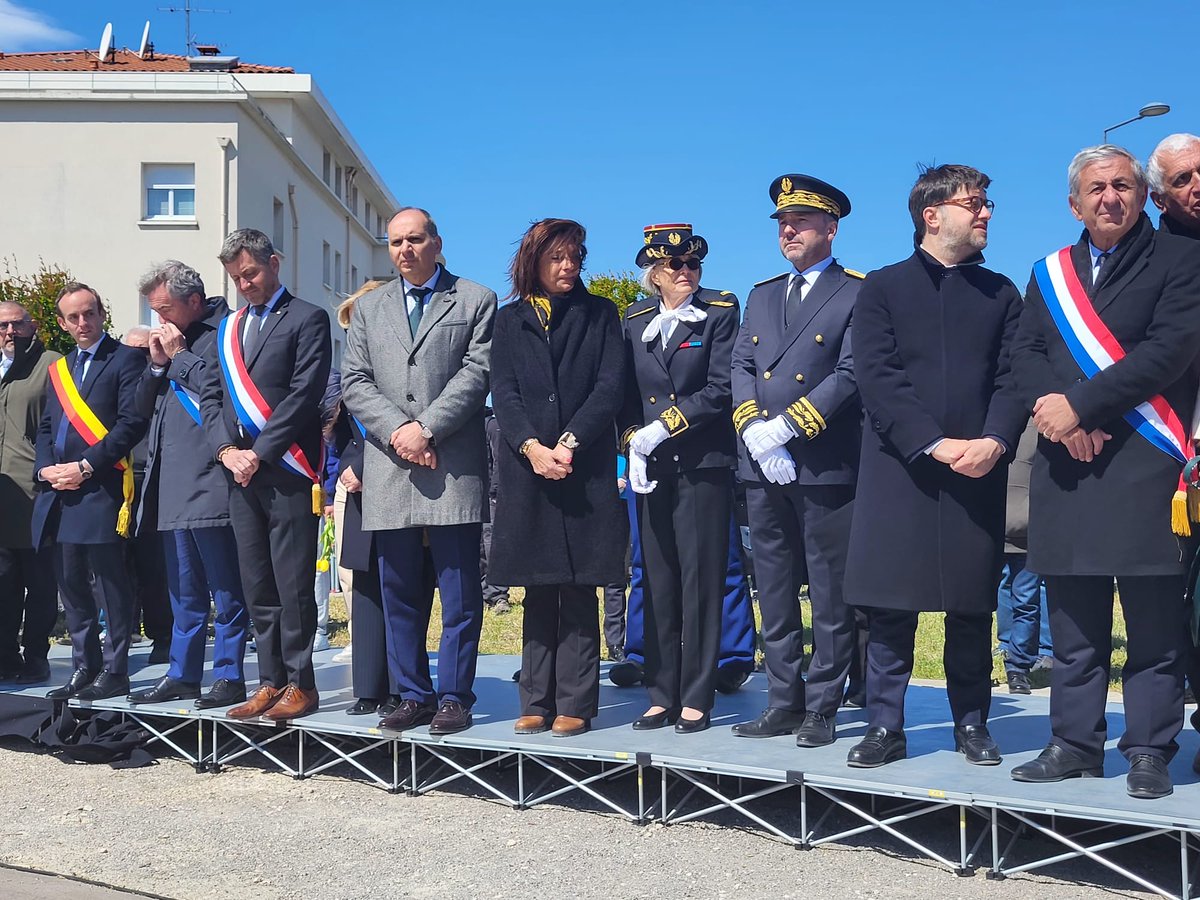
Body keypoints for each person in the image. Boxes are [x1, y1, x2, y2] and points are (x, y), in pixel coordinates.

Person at [1010, 145, 1200, 800]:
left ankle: (1148, 749)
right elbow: (1024, 352)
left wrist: (1083, 407)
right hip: (1067, 463)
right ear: (1075, 204)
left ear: (1143, 195)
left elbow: (1169, 351)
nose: (1110, 197)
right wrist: (1062, 418)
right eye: (1096, 188)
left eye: (1123, 184)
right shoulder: (1049, 272)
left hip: (1145, 463)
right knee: (1074, 627)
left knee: (1153, 627)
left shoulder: (1181, 260)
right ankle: (1073, 744)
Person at [844, 164, 1026, 768]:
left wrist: (995, 440)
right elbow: (878, 375)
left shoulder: (1001, 292)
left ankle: (972, 723)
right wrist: (932, 443)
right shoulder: (883, 287)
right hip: (903, 470)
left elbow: (1013, 377)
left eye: (987, 202)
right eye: (974, 203)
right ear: (932, 214)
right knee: (891, 608)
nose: (986, 213)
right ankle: (884, 725)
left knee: (971, 606)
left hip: (978, 469)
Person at [341, 207, 495, 735]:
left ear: (436, 242)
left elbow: (476, 373)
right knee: (399, 592)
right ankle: (413, 694)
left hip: (451, 465)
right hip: (390, 467)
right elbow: (355, 380)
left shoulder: (475, 299)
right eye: (395, 242)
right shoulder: (369, 307)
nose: (404, 250)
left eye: (414, 239)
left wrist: (427, 429)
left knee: (459, 593)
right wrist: (400, 434)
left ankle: (454, 696)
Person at [729, 175, 864, 748]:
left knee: (830, 593)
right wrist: (756, 431)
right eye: (783, 223)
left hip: (823, 462)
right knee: (775, 586)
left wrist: (789, 426)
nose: (789, 231)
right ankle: (783, 699)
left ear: (831, 229)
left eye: (802, 221)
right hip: (763, 465)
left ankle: (822, 705)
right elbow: (740, 365)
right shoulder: (762, 295)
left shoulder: (855, 291)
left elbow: (852, 372)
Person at [490, 218, 626, 738]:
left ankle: (576, 702)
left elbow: (609, 386)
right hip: (529, 470)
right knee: (539, 585)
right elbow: (504, 392)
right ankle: (535, 698)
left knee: (579, 585)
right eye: (557, 257)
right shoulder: (509, 321)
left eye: (575, 257)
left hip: (582, 468)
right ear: (534, 260)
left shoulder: (600, 314)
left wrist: (568, 443)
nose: (568, 266)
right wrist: (531, 447)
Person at [201, 229, 332, 721]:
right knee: (257, 584)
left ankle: (301, 683)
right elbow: (212, 397)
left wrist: (259, 452)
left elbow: (304, 393)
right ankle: (269, 680)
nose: (245, 284)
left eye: (251, 273)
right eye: (236, 278)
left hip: (286, 469)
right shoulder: (228, 329)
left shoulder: (307, 317)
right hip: (239, 474)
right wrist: (225, 450)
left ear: (273, 263)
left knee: (292, 584)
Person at [620, 223, 739, 734]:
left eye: (694, 263)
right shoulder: (635, 320)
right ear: (655, 273)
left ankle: (696, 694)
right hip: (653, 468)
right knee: (658, 577)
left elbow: (720, 389)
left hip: (701, 463)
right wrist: (632, 441)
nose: (687, 271)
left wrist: (663, 427)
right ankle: (661, 691)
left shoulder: (719, 312)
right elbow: (625, 394)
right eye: (675, 265)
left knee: (701, 580)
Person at [126, 261, 249, 709]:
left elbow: (224, 393)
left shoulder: (227, 332)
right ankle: (182, 674)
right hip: (172, 483)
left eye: (165, 309)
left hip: (212, 479)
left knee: (226, 589)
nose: (159, 319)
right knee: (184, 592)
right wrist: (158, 366)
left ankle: (230, 675)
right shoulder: (171, 342)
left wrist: (179, 357)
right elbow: (139, 409)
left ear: (193, 301)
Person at [35, 283, 148, 701]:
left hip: (101, 488)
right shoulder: (59, 370)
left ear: (102, 314)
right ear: (63, 323)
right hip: (60, 492)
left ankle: (116, 670)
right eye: (74, 317)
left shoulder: (125, 359)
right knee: (71, 586)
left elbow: (130, 424)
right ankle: (85, 666)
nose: (83, 323)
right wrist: (46, 469)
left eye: (89, 313)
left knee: (110, 586)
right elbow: (47, 427)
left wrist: (84, 466)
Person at [1147, 133, 1200, 767]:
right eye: (1183, 179)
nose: (1198, 186)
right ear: (1159, 197)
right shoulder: (1152, 256)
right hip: (1178, 447)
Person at [329, 283, 400, 717]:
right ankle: (369, 685)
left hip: (396, 481)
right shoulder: (349, 376)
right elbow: (341, 434)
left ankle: (400, 686)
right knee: (363, 584)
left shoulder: (398, 367)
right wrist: (346, 466)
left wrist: (364, 464)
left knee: (398, 585)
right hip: (355, 490)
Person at [0, 300, 60, 685]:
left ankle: (36, 656)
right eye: (3, 326)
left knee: (39, 584)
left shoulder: (51, 364)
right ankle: (5, 658)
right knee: (4, 584)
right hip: (3, 494)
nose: (10, 332)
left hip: (36, 492)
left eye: (17, 324)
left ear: (32, 325)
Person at [120, 325, 173, 665]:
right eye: (133, 351)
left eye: (145, 350)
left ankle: (162, 635)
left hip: (152, 477)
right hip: (117, 478)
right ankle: (120, 633)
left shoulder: (162, 378)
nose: (138, 357)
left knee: (154, 565)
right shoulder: (117, 377)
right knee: (118, 566)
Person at [996, 420, 1050, 695]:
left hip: (1029, 533)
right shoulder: (994, 425)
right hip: (995, 530)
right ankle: (1006, 647)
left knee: (1026, 600)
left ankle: (1018, 666)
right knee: (1002, 591)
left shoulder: (1040, 428)